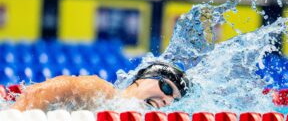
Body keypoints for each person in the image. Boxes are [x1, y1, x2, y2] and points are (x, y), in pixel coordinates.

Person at [11, 62, 190, 111]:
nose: (167, 101)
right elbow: (38, 92)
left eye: (174, 100)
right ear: (143, 79)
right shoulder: (101, 92)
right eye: (167, 88)